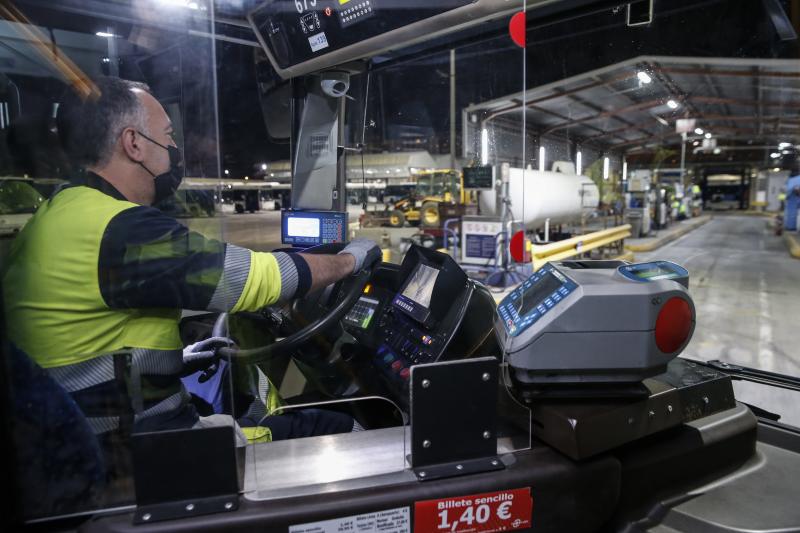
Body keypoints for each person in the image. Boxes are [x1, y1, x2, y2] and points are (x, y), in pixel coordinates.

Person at [2, 77, 380, 453]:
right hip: (139, 451)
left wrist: (175, 361)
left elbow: (82, 344)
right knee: (340, 426)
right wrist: (350, 260)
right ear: (134, 144)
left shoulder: (59, 211)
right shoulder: (120, 229)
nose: (173, 148)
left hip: (87, 437)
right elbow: (251, 280)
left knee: (253, 404)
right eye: (167, 136)